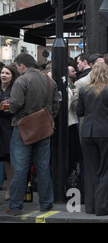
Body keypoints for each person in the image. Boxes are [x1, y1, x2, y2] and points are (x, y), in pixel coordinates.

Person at [6, 53, 59, 216]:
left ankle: (15, 206)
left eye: (16, 66)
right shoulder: (50, 81)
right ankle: (46, 203)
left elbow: (15, 104)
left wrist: (11, 109)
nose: (16, 69)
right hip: (44, 129)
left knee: (21, 169)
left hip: (23, 129)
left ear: (22, 65)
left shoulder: (21, 80)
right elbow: (55, 106)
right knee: (43, 166)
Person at [76, 63, 108, 216]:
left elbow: (80, 112)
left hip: (88, 133)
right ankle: (103, 206)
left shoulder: (84, 90)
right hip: (106, 132)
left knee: (91, 171)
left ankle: (91, 207)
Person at [0, 65, 19, 202]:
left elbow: (14, 108)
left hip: (8, 127)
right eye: (2, 73)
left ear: (12, 76)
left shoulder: (14, 89)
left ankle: (9, 190)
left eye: (7, 73)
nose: (4, 75)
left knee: (9, 160)